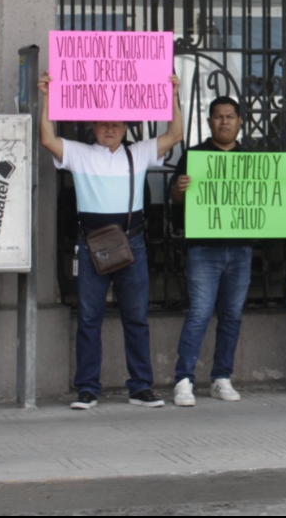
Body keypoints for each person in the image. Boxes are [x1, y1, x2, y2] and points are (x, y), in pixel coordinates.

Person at [38, 71, 183, 410]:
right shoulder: (80, 153)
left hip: (132, 243)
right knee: (89, 317)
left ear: (125, 128)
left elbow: (175, 133)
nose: (109, 129)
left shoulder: (141, 152)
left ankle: (140, 387)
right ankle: (88, 388)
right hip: (91, 245)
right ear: (93, 126)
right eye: (103, 124)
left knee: (136, 317)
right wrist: (47, 96)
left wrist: (174, 92)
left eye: (115, 125)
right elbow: (47, 138)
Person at [169, 95, 254, 407]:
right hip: (204, 249)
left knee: (231, 316)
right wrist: (180, 187)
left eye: (230, 116)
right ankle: (183, 380)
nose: (224, 122)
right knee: (200, 313)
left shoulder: (251, 159)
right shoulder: (195, 156)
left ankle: (221, 377)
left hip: (240, 249)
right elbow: (175, 199)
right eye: (218, 116)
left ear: (239, 121)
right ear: (209, 122)